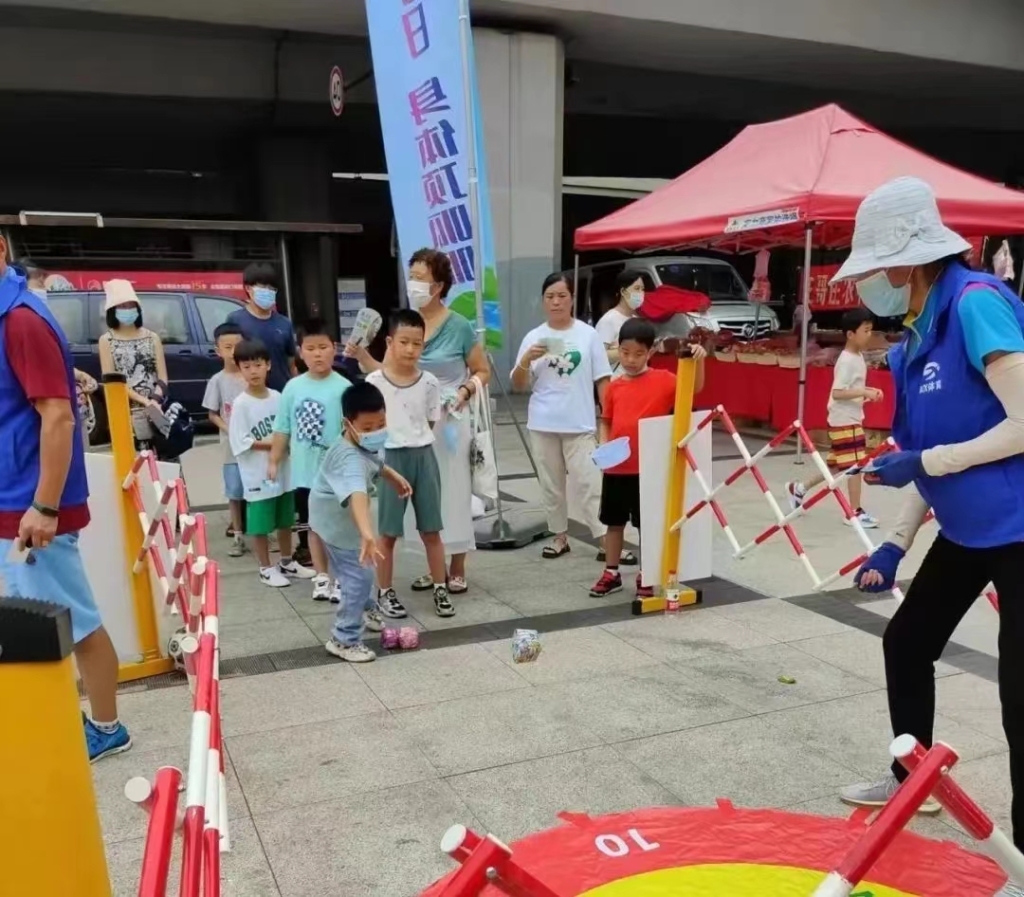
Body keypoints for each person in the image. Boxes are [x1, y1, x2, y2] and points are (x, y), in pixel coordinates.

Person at [834, 177, 1024, 896]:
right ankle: (908, 776)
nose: (870, 284)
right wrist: (893, 544)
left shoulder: (975, 304)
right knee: (906, 639)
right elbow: (916, 461)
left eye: (875, 268)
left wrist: (927, 462)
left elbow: (1022, 422)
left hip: (1022, 524)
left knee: (1020, 694)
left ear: (906, 263)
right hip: (972, 527)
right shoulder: (911, 339)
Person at [0, 243, 131, 762]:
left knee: (68, 616)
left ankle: (106, 726)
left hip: (31, 501)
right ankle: (67, 715)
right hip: (17, 494)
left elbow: (57, 416)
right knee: (39, 614)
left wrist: (46, 506)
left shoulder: (20, 319)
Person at [346, 248, 489, 595]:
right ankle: (433, 567)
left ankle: (457, 567)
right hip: (408, 426)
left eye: (421, 279)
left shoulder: (459, 325)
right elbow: (389, 374)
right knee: (419, 500)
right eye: (411, 278)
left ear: (439, 285)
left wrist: (465, 392)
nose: (414, 285)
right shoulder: (405, 323)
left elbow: (481, 370)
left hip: (450, 421)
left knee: (453, 494)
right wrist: (362, 355)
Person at [591, 317, 706, 597]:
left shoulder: (664, 381)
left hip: (650, 469)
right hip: (618, 467)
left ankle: (647, 573)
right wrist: (605, 445)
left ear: (651, 351)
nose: (631, 359)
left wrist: (699, 361)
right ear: (618, 349)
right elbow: (606, 420)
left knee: (648, 525)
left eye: (638, 353)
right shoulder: (614, 386)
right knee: (613, 522)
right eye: (626, 353)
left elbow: (693, 389)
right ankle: (612, 572)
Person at [511, 272, 620, 562]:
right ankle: (559, 536)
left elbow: (603, 379)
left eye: (562, 295)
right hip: (543, 423)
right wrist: (525, 361)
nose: (556, 302)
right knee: (551, 484)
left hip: (580, 423)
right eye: (550, 296)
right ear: (543, 301)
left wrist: (609, 418)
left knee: (591, 484)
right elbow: (518, 384)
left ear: (572, 298)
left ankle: (603, 540)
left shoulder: (588, 334)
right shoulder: (533, 337)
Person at [310, 381, 414, 663]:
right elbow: (357, 494)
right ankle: (343, 639)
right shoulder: (348, 458)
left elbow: (374, 460)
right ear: (348, 423)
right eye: (367, 428)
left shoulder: (363, 441)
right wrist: (367, 534)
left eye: (381, 423)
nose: (375, 432)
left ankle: (365, 608)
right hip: (338, 526)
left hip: (340, 521)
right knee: (358, 577)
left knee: (362, 569)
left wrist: (392, 475)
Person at [366, 310, 453, 618]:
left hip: (423, 457)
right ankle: (385, 591)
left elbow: (431, 420)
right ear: (390, 342)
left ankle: (440, 587)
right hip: (390, 459)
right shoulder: (374, 381)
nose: (410, 349)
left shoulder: (429, 382)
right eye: (403, 342)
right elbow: (368, 427)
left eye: (417, 343)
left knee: (432, 530)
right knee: (388, 533)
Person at [270, 319, 352, 601]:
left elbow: (351, 432)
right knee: (313, 526)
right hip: (305, 473)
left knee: (339, 528)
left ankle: (341, 578)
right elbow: (283, 428)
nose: (318, 354)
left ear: (334, 349)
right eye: (311, 348)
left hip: (336, 474)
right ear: (300, 352)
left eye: (323, 347)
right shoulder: (292, 388)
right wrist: (273, 460)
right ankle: (321, 576)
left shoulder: (343, 387)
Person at [228, 338, 314, 588]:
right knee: (261, 523)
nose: (253, 371)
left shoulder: (278, 397)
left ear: (267, 365)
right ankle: (265, 567)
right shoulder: (241, 404)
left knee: (286, 518)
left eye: (257, 364)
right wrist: (275, 444)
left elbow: (289, 428)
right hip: (258, 473)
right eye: (246, 366)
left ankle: (287, 561)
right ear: (240, 369)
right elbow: (241, 441)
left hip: (285, 471)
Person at [786, 307, 883, 528]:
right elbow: (838, 392)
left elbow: (852, 388)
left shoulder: (856, 356)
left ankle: (799, 488)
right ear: (851, 334)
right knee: (856, 465)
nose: (870, 334)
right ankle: (854, 512)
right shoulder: (847, 360)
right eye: (866, 330)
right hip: (844, 419)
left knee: (838, 465)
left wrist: (868, 391)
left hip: (848, 416)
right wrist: (865, 392)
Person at [98, 279, 167, 447]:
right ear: (112, 310)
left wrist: (154, 400)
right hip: (124, 411)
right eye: (122, 306)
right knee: (134, 464)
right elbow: (113, 382)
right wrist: (144, 401)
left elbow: (163, 377)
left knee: (164, 463)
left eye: (131, 305)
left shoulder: (152, 337)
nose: (128, 310)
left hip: (156, 409)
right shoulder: (106, 340)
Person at [202, 322, 247, 557]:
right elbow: (212, 413)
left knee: (257, 488)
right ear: (218, 351)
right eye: (227, 347)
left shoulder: (251, 373)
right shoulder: (217, 380)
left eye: (237, 346)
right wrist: (229, 429)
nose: (233, 351)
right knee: (235, 491)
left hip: (255, 445)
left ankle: (263, 532)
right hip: (231, 447)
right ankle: (238, 535)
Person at [226, 262, 298, 393]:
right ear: (248, 288)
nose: (268, 291)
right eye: (263, 286)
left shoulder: (284, 323)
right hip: (249, 395)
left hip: (281, 394)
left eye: (272, 288)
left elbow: (291, 364)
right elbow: (231, 362)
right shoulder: (235, 320)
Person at [595, 269, 653, 370]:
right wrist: (627, 351)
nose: (641, 293)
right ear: (623, 291)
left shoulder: (636, 319)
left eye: (642, 289)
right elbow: (597, 356)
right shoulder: (609, 320)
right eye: (637, 288)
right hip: (615, 381)